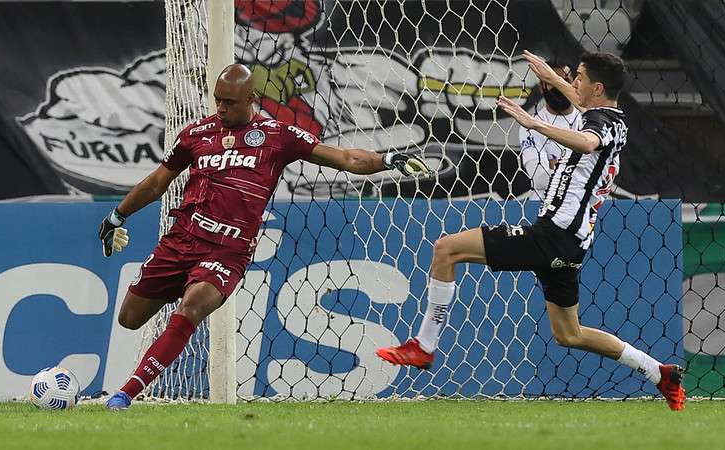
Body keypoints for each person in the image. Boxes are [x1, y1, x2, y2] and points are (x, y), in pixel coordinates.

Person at [99, 64, 430, 410]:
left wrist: (387, 159)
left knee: (192, 306)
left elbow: (345, 158)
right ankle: (179, 289)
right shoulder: (195, 134)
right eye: (217, 101)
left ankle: (125, 394)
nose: (222, 108)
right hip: (181, 240)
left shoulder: (278, 135)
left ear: (251, 98)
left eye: (229, 102)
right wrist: (117, 216)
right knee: (130, 318)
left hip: (228, 252)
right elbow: (156, 183)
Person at [375, 50, 686, 411]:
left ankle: (424, 347)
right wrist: (553, 79)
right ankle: (660, 372)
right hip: (570, 243)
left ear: (597, 87)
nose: (574, 83)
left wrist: (534, 123)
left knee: (446, 249)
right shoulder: (613, 118)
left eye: (579, 77)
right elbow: (583, 110)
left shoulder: (596, 125)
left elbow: (586, 141)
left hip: (552, 236)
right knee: (570, 333)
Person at [519, 60, 582, 200]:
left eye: (564, 81)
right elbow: (539, 179)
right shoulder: (531, 125)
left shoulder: (588, 119)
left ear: (574, 84)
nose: (558, 87)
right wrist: (579, 169)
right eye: (552, 82)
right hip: (543, 207)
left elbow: (601, 172)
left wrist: (556, 166)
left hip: (581, 205)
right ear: (541, 87)